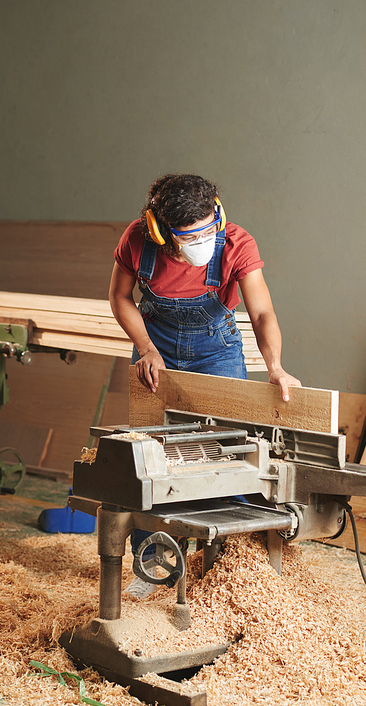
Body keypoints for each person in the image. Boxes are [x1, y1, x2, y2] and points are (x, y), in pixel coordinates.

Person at [109, 173, 301, 596]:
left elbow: (263, 312)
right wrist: (145, 349)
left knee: (231, 452)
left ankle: (233, 569)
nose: (203, 240)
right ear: (161, 231)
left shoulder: (235, 243)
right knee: (151, 460)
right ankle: (154, 567)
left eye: (207, 229)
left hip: (218, 350)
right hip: (155, 348)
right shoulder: (138, 241)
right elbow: (120, 297)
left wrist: (275, 366)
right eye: (188, 235)